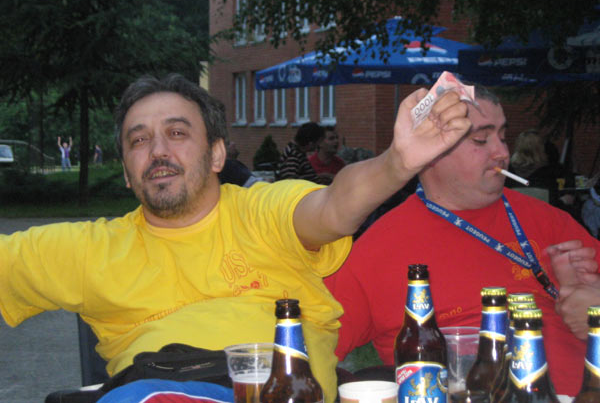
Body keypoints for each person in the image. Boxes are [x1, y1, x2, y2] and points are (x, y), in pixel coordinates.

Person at [0, 73, 471, 403]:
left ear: (217, 154)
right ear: (126, 170)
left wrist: (395, 164)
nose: (158, 150)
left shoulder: (261, 212)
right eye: (138, 140)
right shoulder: (90, 250)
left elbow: (333, 207)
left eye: (177, 132)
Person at [325, 84, 600, 397]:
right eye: (481, 139)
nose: (502, 152)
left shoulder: (549, 221)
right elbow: (306, 347)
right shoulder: (375, 251)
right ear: (430, 152)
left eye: (503, 136)